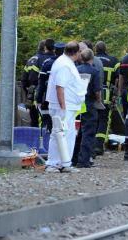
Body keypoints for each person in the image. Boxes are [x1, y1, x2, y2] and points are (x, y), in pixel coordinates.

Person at [45, 41, 85, 173]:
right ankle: (54, 163)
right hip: (63, 106)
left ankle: (64, 162)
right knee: (60, 133)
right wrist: (63, 106)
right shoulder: (65, 65)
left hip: (67, 105)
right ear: (77, 52)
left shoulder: (65, 62)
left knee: (65, 134)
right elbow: (60, 87)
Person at [74, 49, 102, 168]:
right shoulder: (94, 71)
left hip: (77, 103)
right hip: (89, 103)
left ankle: (73, 158)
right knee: (88, 132)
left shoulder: (76, 70)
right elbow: (97, 91)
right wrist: (99, 101)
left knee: (77, 132)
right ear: (92, 58)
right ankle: (84, 160)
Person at [94, 41, 119, 155]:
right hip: (106, 93)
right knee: (104, 119)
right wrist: (115, 94)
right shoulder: (113, 61)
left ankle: (91, 144)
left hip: (92, 93)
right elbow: (118, 78)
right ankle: (99, 145)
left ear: (95, 49)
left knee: (92, 119)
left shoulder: (91, 59)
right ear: (106, 49)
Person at [36, 42, 65, 132]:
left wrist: (38, 99)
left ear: (55, 51)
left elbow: (41, 83)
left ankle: (45, 143)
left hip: (47, 99)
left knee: (46, 125)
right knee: (61, 126)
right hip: (64, 99)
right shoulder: (68, 64)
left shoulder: (47, 63)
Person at [21, 40, 46, 128]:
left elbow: (23, 80)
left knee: (34, 123)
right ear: (45, 48)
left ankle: (34, 141)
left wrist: (28, 93)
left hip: (31, 97)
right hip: (44, 97)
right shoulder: (48, 59)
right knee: (44, 124)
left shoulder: (31, 59)